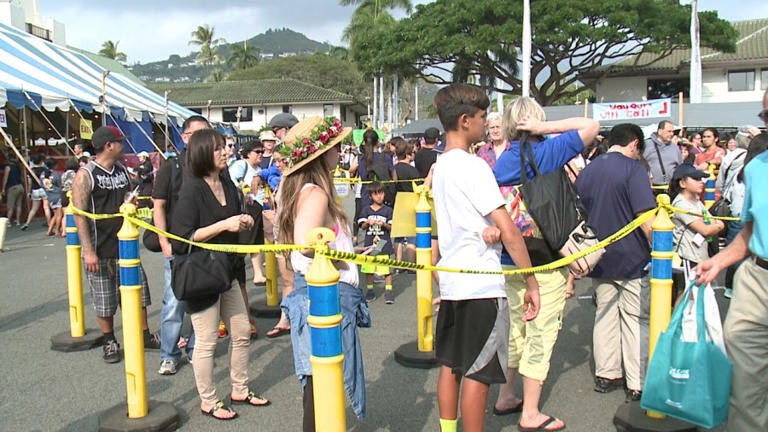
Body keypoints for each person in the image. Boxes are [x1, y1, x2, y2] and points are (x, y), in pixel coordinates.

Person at [430, 84, 540, 432]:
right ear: (465, 121)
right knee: (477, 371)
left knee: (452, 366)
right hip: (481, 284)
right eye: (481, 118)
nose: (485, 123)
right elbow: (508, 228)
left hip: (452, 281)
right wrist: (532, 281)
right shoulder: (474, 167)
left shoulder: (440, 166)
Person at [489, 96, 599, 431]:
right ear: (534, 121)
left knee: (516, 329)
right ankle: (531, 412)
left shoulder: (501, 161)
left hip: (510, 258)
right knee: (541, 330)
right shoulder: (548, 151)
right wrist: (545, 128)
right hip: (548, 258)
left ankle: (507, 395)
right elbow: (591, 126)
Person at [276, 116, 369, 431]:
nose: (340, 151)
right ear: (320, 154)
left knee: (318, 386)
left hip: (319, 294)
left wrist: (346, 254)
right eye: (335, 146)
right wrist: (340, 261)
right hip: (324, 297)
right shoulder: (315, 193)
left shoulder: (300, 189)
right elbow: (305, 243)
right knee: (321, 386)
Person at [170, 128, 269, 421]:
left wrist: (244, 218)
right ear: (203, 154)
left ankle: (239, 388)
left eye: (225, 148)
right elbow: (183, 238)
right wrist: (224, 225)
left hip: (227, 270)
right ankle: (209, 400)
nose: (225, 152)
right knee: (207, 340)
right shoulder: (191, 188)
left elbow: (232, 219)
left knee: (240, 332)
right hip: (201, 273)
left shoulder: (226, 183)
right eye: (218, 149)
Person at [694, 90, 768, 431]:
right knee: (744, 384)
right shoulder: (757, 168)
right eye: (767, 117)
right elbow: (751, 231)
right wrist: (721, 260)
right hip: (757, 279)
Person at [575, 123, 655, 402]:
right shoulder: (634, 170)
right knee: (635, 319)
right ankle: (637, 381)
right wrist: (661, 250)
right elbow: (646, 217)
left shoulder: (588, 170)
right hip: (632, 256)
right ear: (634, 143)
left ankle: (606, 373)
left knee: (605, 314)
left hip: (597, 255)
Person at [72, 126, 161, 363]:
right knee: (104, 298)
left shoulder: (121, 170)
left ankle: (144, 333)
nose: (123, 146)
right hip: (100, 248)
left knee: (139, 292)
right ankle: (109, 339)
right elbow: (79, 214)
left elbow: (128, 197)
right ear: (109, 145)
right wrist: (88, 250)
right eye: (120, 142)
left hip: (125, 245)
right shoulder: (86, 174)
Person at [153, 115, 210, 375]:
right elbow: (158, 207)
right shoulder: (171, 166)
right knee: (173, 302)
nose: (203, 140)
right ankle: (169, 353)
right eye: (197, 134)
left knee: (203, 301)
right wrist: (164, 241)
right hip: (177, 247)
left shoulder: (213, 166)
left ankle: (195, 350)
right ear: (185, 137)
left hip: (207, 246)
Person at [668, 164, 724, 301]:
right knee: (686, 294)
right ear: (682, 183)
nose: (701, 182)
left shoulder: (696, 201)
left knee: (698, 294)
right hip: (687, 257)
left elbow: (714, 222)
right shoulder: (681, 204)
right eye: (696, 179)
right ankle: (677, 322)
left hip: (700, 255)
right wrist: (716, 226)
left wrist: (715, 225)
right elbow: (706, 228)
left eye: (701, 179)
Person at [358, 181, 395, 303]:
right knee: (369, 269)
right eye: (376, 194)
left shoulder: (388, 211)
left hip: (383, 243)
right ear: (370, 196)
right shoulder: (366, 210)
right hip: (370, 244)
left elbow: (391, 228)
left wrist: (384, 224)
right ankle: (370, 290)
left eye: (381, 193)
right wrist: (367, 222)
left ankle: (389, 291)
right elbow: (362, 227)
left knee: (386, 269)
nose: (379, 196)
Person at [392, 138, 419, 266]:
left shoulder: (394, 169)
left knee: (398, 235)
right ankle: (410, 264)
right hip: (411, 201)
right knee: (411, 235)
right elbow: (419, 186)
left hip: (398, 201)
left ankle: (398, 263)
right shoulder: (412, 170)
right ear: (408, 154)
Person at [357, 129, 395, 207]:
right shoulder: (386, 157)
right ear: (377, 141)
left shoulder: (361, 159)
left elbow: (361, 176)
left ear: (364, 142)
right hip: (383, 197)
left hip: (366, 196)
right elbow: (394, 177)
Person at [643, 120, 682, 188]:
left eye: (673, 131)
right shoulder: (646, 145)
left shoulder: (675, 148)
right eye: (669, 131)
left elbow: (680, 166)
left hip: (671, 188)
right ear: (660, 131)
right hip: (651, 187)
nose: (672, 134)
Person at [21, 153, 52, 231]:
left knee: (33, 208)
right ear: (41, 161)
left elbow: (30, 182)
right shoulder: (46, 170)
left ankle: (27, 223)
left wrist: (29, 192)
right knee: (46, 207)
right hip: (43, 189)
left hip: (35, 190)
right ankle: (49, 223)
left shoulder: (31, 171)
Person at [43, 157, 63, 236]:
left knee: (55, 214)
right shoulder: (56, 174)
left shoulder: (43, 175)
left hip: (49, 195)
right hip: (57, 195)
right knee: (59, 214)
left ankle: (49, 230)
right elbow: (61, 185)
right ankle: (57, 230)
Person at [2, 154, 24, 226]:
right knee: (18, 205)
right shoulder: (18, 167)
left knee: (10, 206)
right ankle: (17, 221)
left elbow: (5, 179)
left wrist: (3, 188)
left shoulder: (8, 167)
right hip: (20, 187)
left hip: (12, 187)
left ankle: (8, 221)